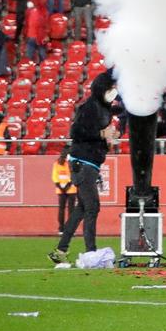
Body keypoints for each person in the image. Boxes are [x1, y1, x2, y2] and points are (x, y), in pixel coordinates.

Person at [53, 70, 120, 263]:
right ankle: (91, 252)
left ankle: (60, 250)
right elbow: (76, 131)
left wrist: (109, 139)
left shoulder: (104, 108)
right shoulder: (90, 107)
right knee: (92, 207)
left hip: (88, 163)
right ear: (102, 89)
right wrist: (101, 135)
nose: (113, 91)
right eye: (111, 87)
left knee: (81, 209)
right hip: (84, 163)